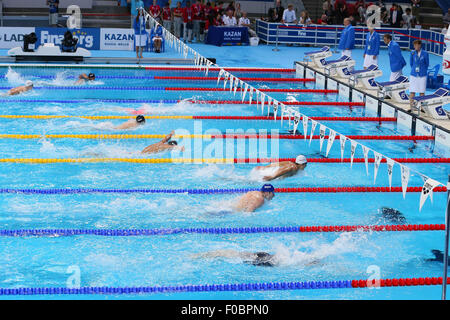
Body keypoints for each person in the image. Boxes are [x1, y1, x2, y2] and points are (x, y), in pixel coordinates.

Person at [193, 250, 277, 267]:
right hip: (263, 258)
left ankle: (199, 256)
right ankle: (199, 255)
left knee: (224, 253)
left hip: (260, 258)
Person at [409, 40, 429, 108]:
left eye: (417, 45)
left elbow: (427, 64)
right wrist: (415, 70)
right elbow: (411, 63)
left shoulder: (425, 53)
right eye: (414, 45)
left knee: (422, 91)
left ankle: (421, 107)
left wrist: (421, 70)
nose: (415, 46)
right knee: (412, 91)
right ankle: (411, 106)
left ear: (420, 45)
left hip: (422, 75)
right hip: (414, 75)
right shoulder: (412, 53)